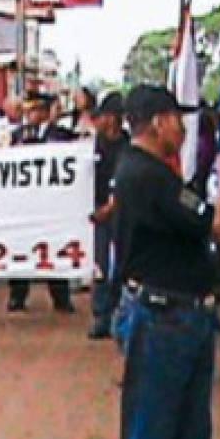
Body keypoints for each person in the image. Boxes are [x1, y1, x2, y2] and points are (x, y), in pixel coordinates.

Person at [110, 85, 220, 439]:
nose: (183, 129)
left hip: (184, 314)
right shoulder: (145, 178)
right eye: (177, 119)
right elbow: (215, 226)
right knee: (152, 429)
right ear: (158, 121)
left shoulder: (152, 175)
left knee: (190, 431)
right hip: (163, 316)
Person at [8, 92, 76, 314]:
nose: (31, 115)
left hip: (52, 204)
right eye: (28, 110)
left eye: (35, 110)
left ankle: (60, 297)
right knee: (20, 249)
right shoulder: (17, 135)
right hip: (24, 203)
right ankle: (17, 295)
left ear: (45, 112)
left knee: (54, 248)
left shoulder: (62, 135)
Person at [88, 91, 127, 339]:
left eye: (101, 116)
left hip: (122, 214)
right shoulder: (91, 146)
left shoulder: (127, 147)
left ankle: (120, 316)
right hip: (97, 214)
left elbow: (127, 183)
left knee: (124, 265)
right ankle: (101, 316)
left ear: (112, 118)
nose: (97, 121)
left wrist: (110, 208)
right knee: (100, 266)